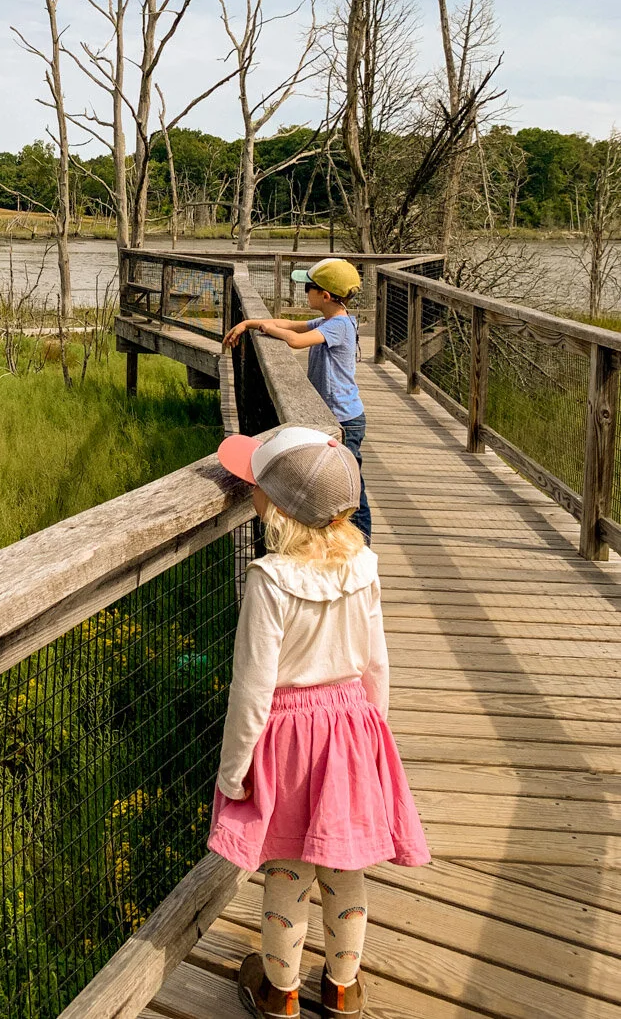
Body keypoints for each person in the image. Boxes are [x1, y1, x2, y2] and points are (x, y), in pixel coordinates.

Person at [207, 425, 429, 1018]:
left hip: (287, 738)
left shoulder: (271, 580)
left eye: (255, 485)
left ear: (275, 508)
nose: (250, 491)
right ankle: (341, 988)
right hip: (353, 731)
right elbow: (376, 663)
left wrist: (234, 770)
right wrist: (375, 741)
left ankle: (279, 997)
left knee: (286, 868)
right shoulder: (365, 568)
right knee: (344, 864)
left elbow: (251, 688)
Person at [223, 258, 372, 543]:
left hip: (343, 419)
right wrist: (250, 322)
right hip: (335, 416)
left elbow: (295, 339)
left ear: (325, 296)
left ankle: (362, 545)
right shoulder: (333, 319)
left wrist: (266, 330)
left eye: (308, 287)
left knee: (352, 490)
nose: (305, 292)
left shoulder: (338, 326)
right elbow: (289, 323)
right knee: (344, 485)